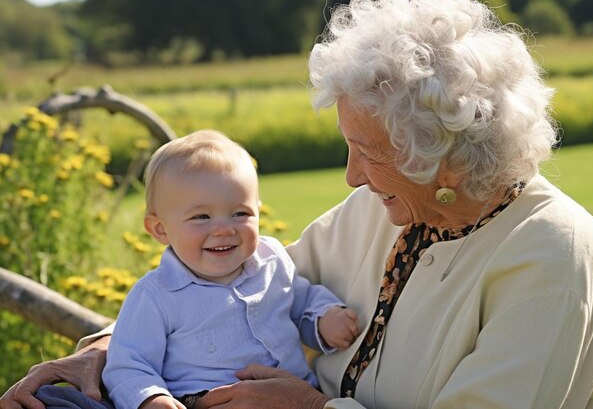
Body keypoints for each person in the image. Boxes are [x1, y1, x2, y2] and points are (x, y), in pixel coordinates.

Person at [0, 0, 593, 408]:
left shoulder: (550, 254)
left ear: (441, 155)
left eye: (367, 152)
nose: (351, 177)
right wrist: (109, 349)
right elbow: (237, 283)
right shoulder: (381, 210)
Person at [25, 129, 360, 409]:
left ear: (259, 212)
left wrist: (323, 315)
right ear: (159, 230)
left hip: (294, 393)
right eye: (201, 217)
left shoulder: (271, 260)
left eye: (240, 214)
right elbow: (129, 362)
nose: (224, 229)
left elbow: (300, 297)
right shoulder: (156, 295)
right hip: (203, 400)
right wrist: (151, 398)